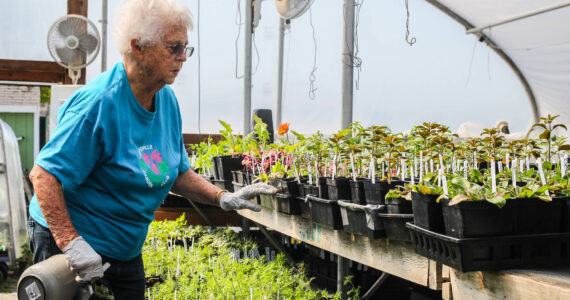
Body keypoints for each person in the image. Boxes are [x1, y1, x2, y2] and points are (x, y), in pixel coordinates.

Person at [27, 0, 276, 298]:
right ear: (139, 47)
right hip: (73, 242)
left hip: (124, 249)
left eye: (186, 47)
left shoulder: (166, 100)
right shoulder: (99, 105)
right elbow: (43, 176)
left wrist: (222, 197)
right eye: (174, 47)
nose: (183, 58)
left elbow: (177, 172)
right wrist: (71, 243)